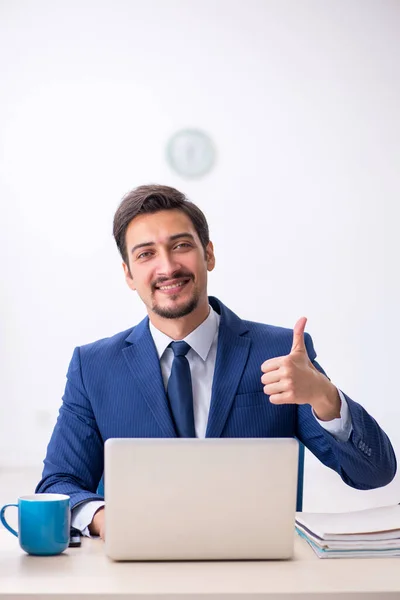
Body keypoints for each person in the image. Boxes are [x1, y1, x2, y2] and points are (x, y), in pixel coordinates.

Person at [36, 184, 396, 540]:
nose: (167, 266)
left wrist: (324, 397)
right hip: (137, 573)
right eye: (146, 254)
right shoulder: (94, 366)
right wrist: (104, 518)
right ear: (129, 274)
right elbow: (58, 484)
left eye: (181, 246)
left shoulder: (280, 352)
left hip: (259, 570)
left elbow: (374, 473)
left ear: (208, 254)